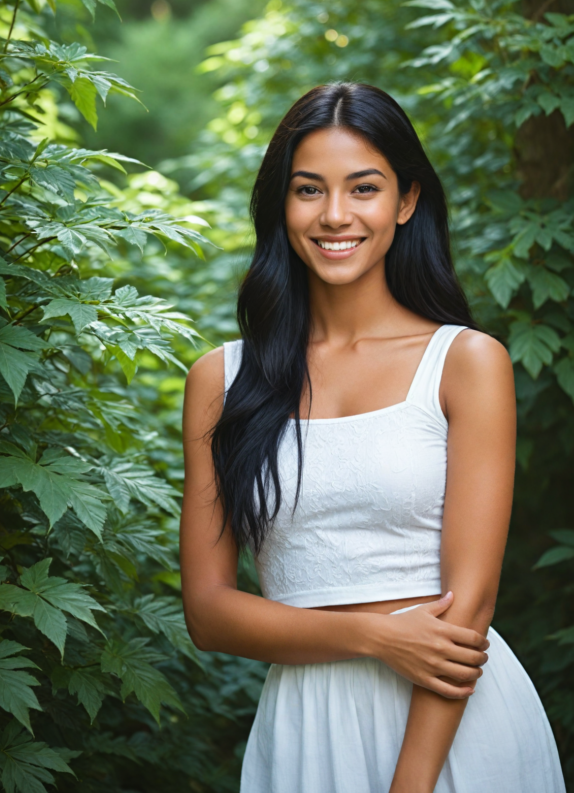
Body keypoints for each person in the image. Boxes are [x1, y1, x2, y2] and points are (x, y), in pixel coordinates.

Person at [180, 83, 565, 793]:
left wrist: (411, 784)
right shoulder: (222, 379)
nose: (334, 215)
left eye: (363, 188)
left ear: (405, 200)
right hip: (304, 728)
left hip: (453, 729)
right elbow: (208, 612)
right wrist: (376, 635)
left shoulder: (464, 363)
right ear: (280, 204)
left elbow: (468, 607)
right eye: (308, 190)